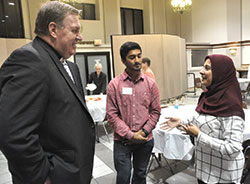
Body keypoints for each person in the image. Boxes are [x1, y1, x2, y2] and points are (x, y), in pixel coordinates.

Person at [0, 2, 95, 184]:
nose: (80, 37)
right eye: (74, 30)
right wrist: (43, 177)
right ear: (53, 29)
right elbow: (14, 134)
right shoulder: (29, 60)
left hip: (74, 171)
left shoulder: (71, 67)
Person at [162, 54, 245, 184]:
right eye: (203, 67)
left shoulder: (231, 105)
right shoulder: (207, 96)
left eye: (207, 68)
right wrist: (181, 121)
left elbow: (232, 149)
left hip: (223, 175)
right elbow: (199, 117)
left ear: (220, 73)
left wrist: (199, 135)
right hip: (204, 169)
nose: (201, 71)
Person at [106, 41, 161, 184]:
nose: (137, 60)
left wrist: (143, 132)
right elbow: (112, 115)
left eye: (139, 56)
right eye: (132, 57)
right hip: (122, 142)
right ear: (123, 60)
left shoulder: (151, 84)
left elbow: (155, 111)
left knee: (140, 176)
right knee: (123, 177)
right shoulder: (114, 85)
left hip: (145, 140)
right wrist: (130, 135)